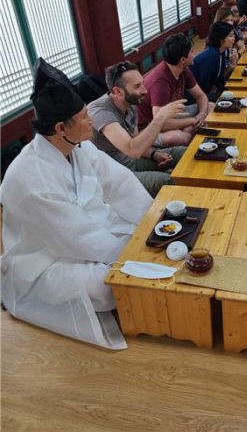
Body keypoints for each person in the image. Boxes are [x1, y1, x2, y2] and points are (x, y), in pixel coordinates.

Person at [0, 58, 153, 350]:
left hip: (87, 234)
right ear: (61, 128)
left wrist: (152, 219)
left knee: (143, 237)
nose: (92, 119)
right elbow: (71, 235)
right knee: (108, 285)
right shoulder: (28, 177)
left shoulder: (78, 146)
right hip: (44, 261)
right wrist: (130, 256)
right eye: (84, 117)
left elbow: (119, 182)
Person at [87, 61, 186, 198]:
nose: (145, 90)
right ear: (118, 91)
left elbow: (136, 141)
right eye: (138, 86)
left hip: (131, 161)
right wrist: (161, 117)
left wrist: (154, 154)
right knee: (166, 182)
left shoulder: (131, 103)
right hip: (115, 175)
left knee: (183, 153)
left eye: (143, 84)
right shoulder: (100, 112)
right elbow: (133, 149)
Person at [136, 34, 210, 147]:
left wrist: (202, 113)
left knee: (210, 107)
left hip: (172, 116)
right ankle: (187, 133)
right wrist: (191, 121)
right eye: (192, 52)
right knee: (181, 137)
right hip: (149, 127)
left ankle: (188, 130)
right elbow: (160, 123)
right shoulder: (160, 82)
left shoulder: (183, 69)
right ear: (183, 59)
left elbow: (200, 96)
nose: (194, 54)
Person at [190, 22, 237, 102]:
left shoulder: (220, 52)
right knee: (231, 97)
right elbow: (204, 85)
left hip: (209, 90)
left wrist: (232, 64)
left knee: (234, 91)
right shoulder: (211, 55)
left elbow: (220, 77)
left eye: (233, 35)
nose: (234, 38)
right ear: (221, 39)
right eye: (230, 36)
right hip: (197, 96)